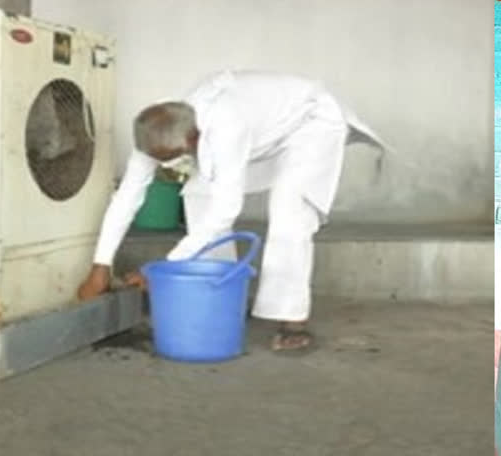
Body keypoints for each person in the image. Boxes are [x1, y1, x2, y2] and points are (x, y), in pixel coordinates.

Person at [77, 70, 387, 353]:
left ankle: (293, 319)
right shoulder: (154, 129)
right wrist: (100, 264)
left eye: (173, 158)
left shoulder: (226, 125)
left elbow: (227, 208)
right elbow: (128, 195)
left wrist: (163, 268)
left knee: (289, 207)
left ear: (192, 140)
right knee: (198, 192)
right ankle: (221, 299)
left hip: (310, 124)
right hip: (263, 132)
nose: (165, 164)